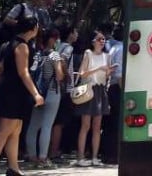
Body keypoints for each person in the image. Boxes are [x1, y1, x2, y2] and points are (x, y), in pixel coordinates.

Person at [0, 13, 44, 176]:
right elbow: (24, 72)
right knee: (4, 130)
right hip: (13, 92)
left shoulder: (8, 45)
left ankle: (13, 167)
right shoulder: (22, 46)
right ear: (32, 29)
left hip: (10, 91)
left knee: (15, 130)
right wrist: (36, 94)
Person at [73, 30, 114, 167]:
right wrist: (98, 69)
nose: (102, 41)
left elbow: (106, 76)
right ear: (93, 41)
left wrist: (108, 72)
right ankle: (80, 157)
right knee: (85, 125)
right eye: (99, 39)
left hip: (101, 90)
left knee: (97, 126)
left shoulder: (107, 56)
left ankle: (95, 157)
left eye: (103, 39)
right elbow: (82, 74)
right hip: (89, 89)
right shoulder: (88, 54)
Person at [25, 27, 63, 169]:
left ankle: (32, 156)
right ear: (52, 39)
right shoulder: (54, 55)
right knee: (47, 126)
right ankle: (43, 158)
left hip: (37, 93)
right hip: (52, 92)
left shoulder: (38, 55)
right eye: (57, 38)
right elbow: (59, 75)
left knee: (33, 126)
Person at [48, 25, 78, 163]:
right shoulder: (68, 48)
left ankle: (47, 150)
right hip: (64, 88)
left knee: (50, 121)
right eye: (75, 32)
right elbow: (63, 61)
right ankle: (54, 151)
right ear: (71, 34)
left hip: (52, 86)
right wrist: (68, 77)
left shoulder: (57, 46)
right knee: (59, 123)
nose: (77, 34)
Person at [98, 22, 124, 165]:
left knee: (109, 123)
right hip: (118, 88)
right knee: (116, 123)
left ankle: (106, 154)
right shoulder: (122, 48)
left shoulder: (113, 48)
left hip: (110, 87)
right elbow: (120, 75)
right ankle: (113, 155)